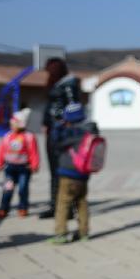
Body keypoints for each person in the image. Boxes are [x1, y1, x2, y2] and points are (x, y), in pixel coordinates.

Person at [48, 103, 98, 244]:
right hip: (84, 173)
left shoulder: (70, 132)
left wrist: (58, 125)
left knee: (63, 203)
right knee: (82, 202)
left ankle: (61, 233)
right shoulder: (91, 129)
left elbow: (56, 143)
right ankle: (84, 232)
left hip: (68, 172)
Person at [39, 58, 81, 219]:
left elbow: (74, 108)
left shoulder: (68, 84)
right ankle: (55, 204)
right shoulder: (56, 84)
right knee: (54, 170)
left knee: (63, 169)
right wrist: (45, 123)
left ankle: (67, 206)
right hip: (52, 131)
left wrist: (66, 124)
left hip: (61, 132)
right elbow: (49, 107)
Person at [0, 108, 40, 218]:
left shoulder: (29, 137)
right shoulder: (7, 136)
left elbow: (33, 152)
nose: (12, 125)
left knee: (23, 189)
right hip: (10, 167)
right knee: (7, 189)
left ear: (20, 124)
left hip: (24, 168)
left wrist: (34, 165)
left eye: (14, 123)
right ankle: (3, 208)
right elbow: (2, 150)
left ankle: (23, 208)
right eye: (11, 123)